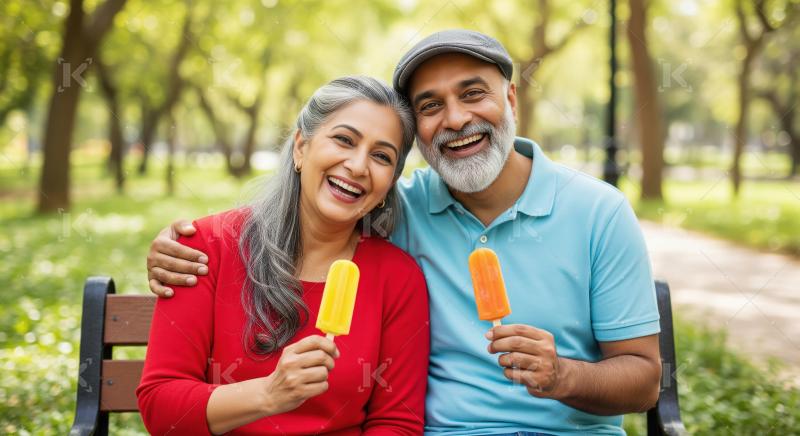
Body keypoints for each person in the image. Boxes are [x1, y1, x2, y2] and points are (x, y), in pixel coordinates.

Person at [147, 30, 662, 435]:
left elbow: (644, 381)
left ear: (510, 98)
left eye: (473, 93)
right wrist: (176, 242)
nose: (456, 118)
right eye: (431, 105)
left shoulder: (599, 212)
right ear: (300, 146)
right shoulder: (398, 209)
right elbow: (162, 397)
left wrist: (563, 375)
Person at [136, 76, 429, 435]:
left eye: (381, 156)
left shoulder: (397, 278)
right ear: (300, 148)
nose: (357, 166)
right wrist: (269, 394)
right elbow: (160, 406)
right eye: (344, 140)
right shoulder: (205, 248)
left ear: (389, 185)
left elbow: (396, 423)